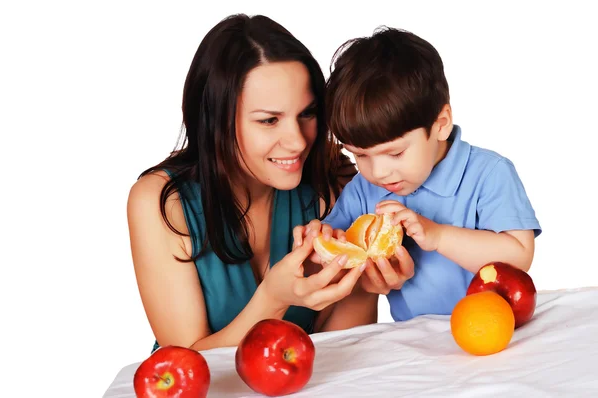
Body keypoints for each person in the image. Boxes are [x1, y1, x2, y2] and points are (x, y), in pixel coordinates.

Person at [126, 14, 381, 353]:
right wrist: (272, 300)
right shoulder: (161, 202)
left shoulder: (334, 179)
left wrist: (365, 281)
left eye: (307, 113)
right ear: (215, 122)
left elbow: (340, 354)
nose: (297, 142)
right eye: (269, 120)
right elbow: (186, 362)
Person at [313, 26, 542, 322]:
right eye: (360, 155)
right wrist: (318, 240)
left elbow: (519, 257)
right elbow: (336, 242)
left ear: (441, 124)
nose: (379, 172)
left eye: (395, 153)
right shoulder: (362, 189)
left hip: (494, 333)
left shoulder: (489, 174)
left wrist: (437, 236)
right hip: (417, 344)